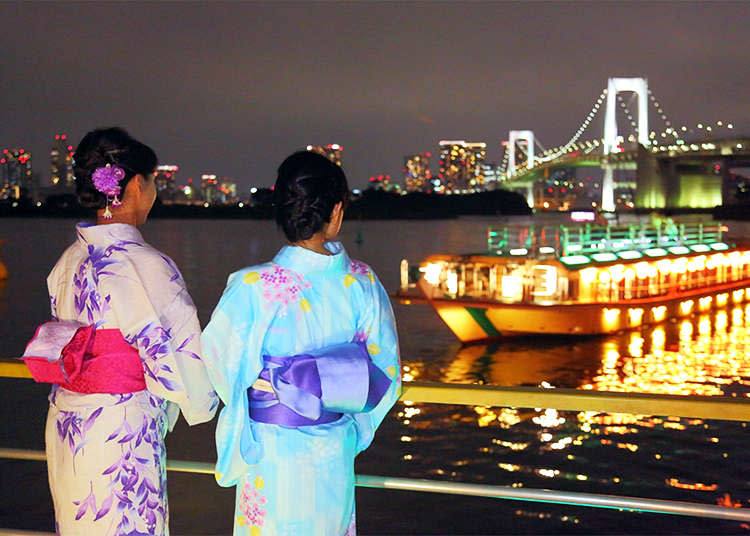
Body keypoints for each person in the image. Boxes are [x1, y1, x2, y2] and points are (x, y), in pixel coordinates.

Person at [22, 127, 218, 535]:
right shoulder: (146, 265)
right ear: (132, 185)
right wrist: (202, 400)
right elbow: (179, 358)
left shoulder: (67, 262)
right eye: (152, 183)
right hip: (120, 430)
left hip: (68, 423)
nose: (154, 193)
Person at [201, 151, 401, 535]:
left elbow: (219, 364)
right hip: (333, 452)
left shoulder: (251, 287)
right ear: (337, 212)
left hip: (270, 449)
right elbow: (385, 375)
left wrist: (262, 398)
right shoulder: (362, 283)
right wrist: (351, 424)